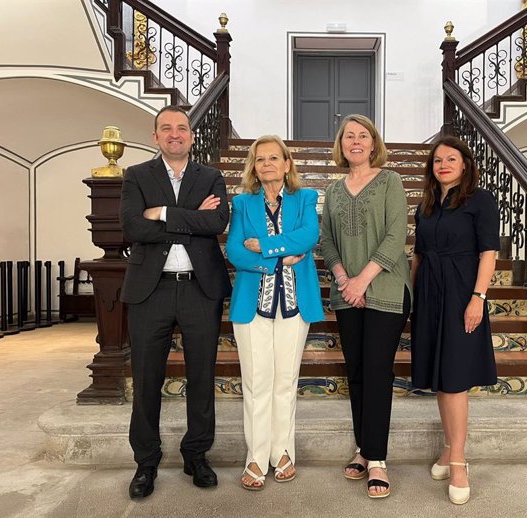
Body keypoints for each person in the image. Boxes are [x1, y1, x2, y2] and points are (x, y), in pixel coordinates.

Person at [119, 105, 231, 499]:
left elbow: (216, 224)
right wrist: (189, 219)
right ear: (155, 137)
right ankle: (145, 462)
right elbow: (132, 227)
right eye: (165, 128)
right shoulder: (136, 176)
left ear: (190, 134)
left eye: (181, 128)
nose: (174, 134)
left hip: (201, 289)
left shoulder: (211, 176)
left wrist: (164, 213)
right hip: (152, 290)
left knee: (202, 376)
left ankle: (196, 454)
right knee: (147, 378)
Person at [320, 115, 411, 499]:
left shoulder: (390, 181)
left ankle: (377, 460)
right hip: (346, 293)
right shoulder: (333, 189)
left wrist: (362, 279)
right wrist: (344, 278)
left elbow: (396, 235)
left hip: (386, 289)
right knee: (355, 373)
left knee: (376, 372)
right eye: (348, 137)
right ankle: (363, 447)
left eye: (363, 136)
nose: (355, 142)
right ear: (341, 146)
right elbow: (326, 241)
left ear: (374, 144)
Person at [226, 135, 324, 491]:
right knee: (257, 383)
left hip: (295, 304)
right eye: (260, 159)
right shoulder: (242, 204)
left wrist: (266, 247)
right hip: (252, 306)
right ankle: (256, 455)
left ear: (287, 164)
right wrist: (276, 261)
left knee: (285, 381)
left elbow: (309, 236)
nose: (267, 164)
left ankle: (282, 452)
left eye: (274, 158)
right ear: (253, 166)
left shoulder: (305, 198)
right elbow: (236, 251)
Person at [410, 135, 499, 505]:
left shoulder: (480, 201)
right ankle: (448, 448)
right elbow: (417, 255)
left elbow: (489, 253)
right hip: (430, 293)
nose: (443, 164)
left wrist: (478, 298)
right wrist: (413, 299)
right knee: (442, 378)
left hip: (463, 292)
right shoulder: (426, 206)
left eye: (451, 159)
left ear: (465, 164)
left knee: (457, 378)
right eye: (437, 161)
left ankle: (460, 461)